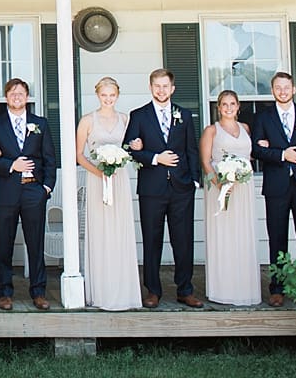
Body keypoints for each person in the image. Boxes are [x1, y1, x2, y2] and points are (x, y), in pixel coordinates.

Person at [124, 68, 202, 309]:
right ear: (150, 88)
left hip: (181, 188)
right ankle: (153, 291)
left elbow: (191, 149)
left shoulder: (184, 115)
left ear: (172, 88)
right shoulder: (138, 115)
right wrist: (156, 158)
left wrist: (194, 181)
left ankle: (185, 290)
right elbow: (129, 149)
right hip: (152, 189)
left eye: (165, 86)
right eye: (156, 86)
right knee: (152, 239)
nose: (161, 90)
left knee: (183, 239)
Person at [252, 71, 296, 307]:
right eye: (278, 88)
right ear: (272, 91)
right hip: (276, 187)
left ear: (293, 90)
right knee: (277, 237)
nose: (282, 91)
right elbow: (257, 150)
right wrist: (282, 154)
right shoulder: (263, 118)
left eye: (286, 87)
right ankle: (277, 288)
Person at [0, 78, 57, 311]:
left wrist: (46, 188)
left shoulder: (40, 124)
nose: (17, 96)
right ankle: (5, 292)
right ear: (6, 97)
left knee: (35, 243)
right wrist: (10, 165)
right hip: (6, 192)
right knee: (4, 244)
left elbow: (49, 159)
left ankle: (39, 292)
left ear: (27, 97)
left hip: (34, 192)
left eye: (21, 93)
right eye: (12, 93)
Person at [74, 76, 141, 311]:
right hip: (97, 179)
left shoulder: (126, 119)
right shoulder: (87, 121)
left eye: (112, 95)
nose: (108, 99)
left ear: (118, 95)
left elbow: (132, 149)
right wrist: (99, 173)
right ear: (98, 95)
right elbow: (79, 155)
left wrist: (135, 149)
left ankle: (124, 291)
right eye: (104, 95)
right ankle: (101, 291)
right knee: (101, 231)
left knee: (120, 230)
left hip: (119, 180)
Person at [201, 90, 260, 306]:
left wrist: (240, 172)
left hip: (243, 187)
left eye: (232, 104)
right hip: (220, 187)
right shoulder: (211, 131)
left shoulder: (245, 128)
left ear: (238, 106)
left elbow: (249, 155)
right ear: (218, 107)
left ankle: (244, 287)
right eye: (224, 104)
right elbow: (206, 162)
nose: (228, 108)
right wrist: (219, 184)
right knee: (224, 235)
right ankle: (223, 288)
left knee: (242, 234)